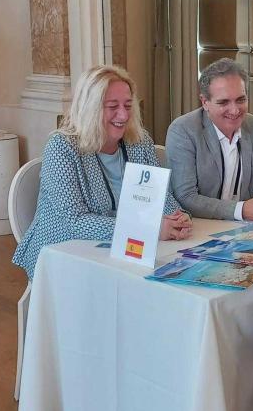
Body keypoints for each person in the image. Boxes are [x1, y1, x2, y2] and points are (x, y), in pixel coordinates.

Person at [12, 65, 192, 280]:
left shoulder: (139, 141)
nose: (123, 115)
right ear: (90, 108)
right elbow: (75, 222)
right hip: (65, 253)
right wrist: (148, 229)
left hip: (126, 250)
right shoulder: (62, 147)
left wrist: (178, 217)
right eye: (112, 106)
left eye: (128, 105)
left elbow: (160, 197)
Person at [166, 58, 253, 221]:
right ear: (205, 102)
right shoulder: (183, 130)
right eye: (223, 102)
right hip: (200, 225)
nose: (234, 110)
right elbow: (186, 197)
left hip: (243, 226)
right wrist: (240, 210)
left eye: (241, 100)